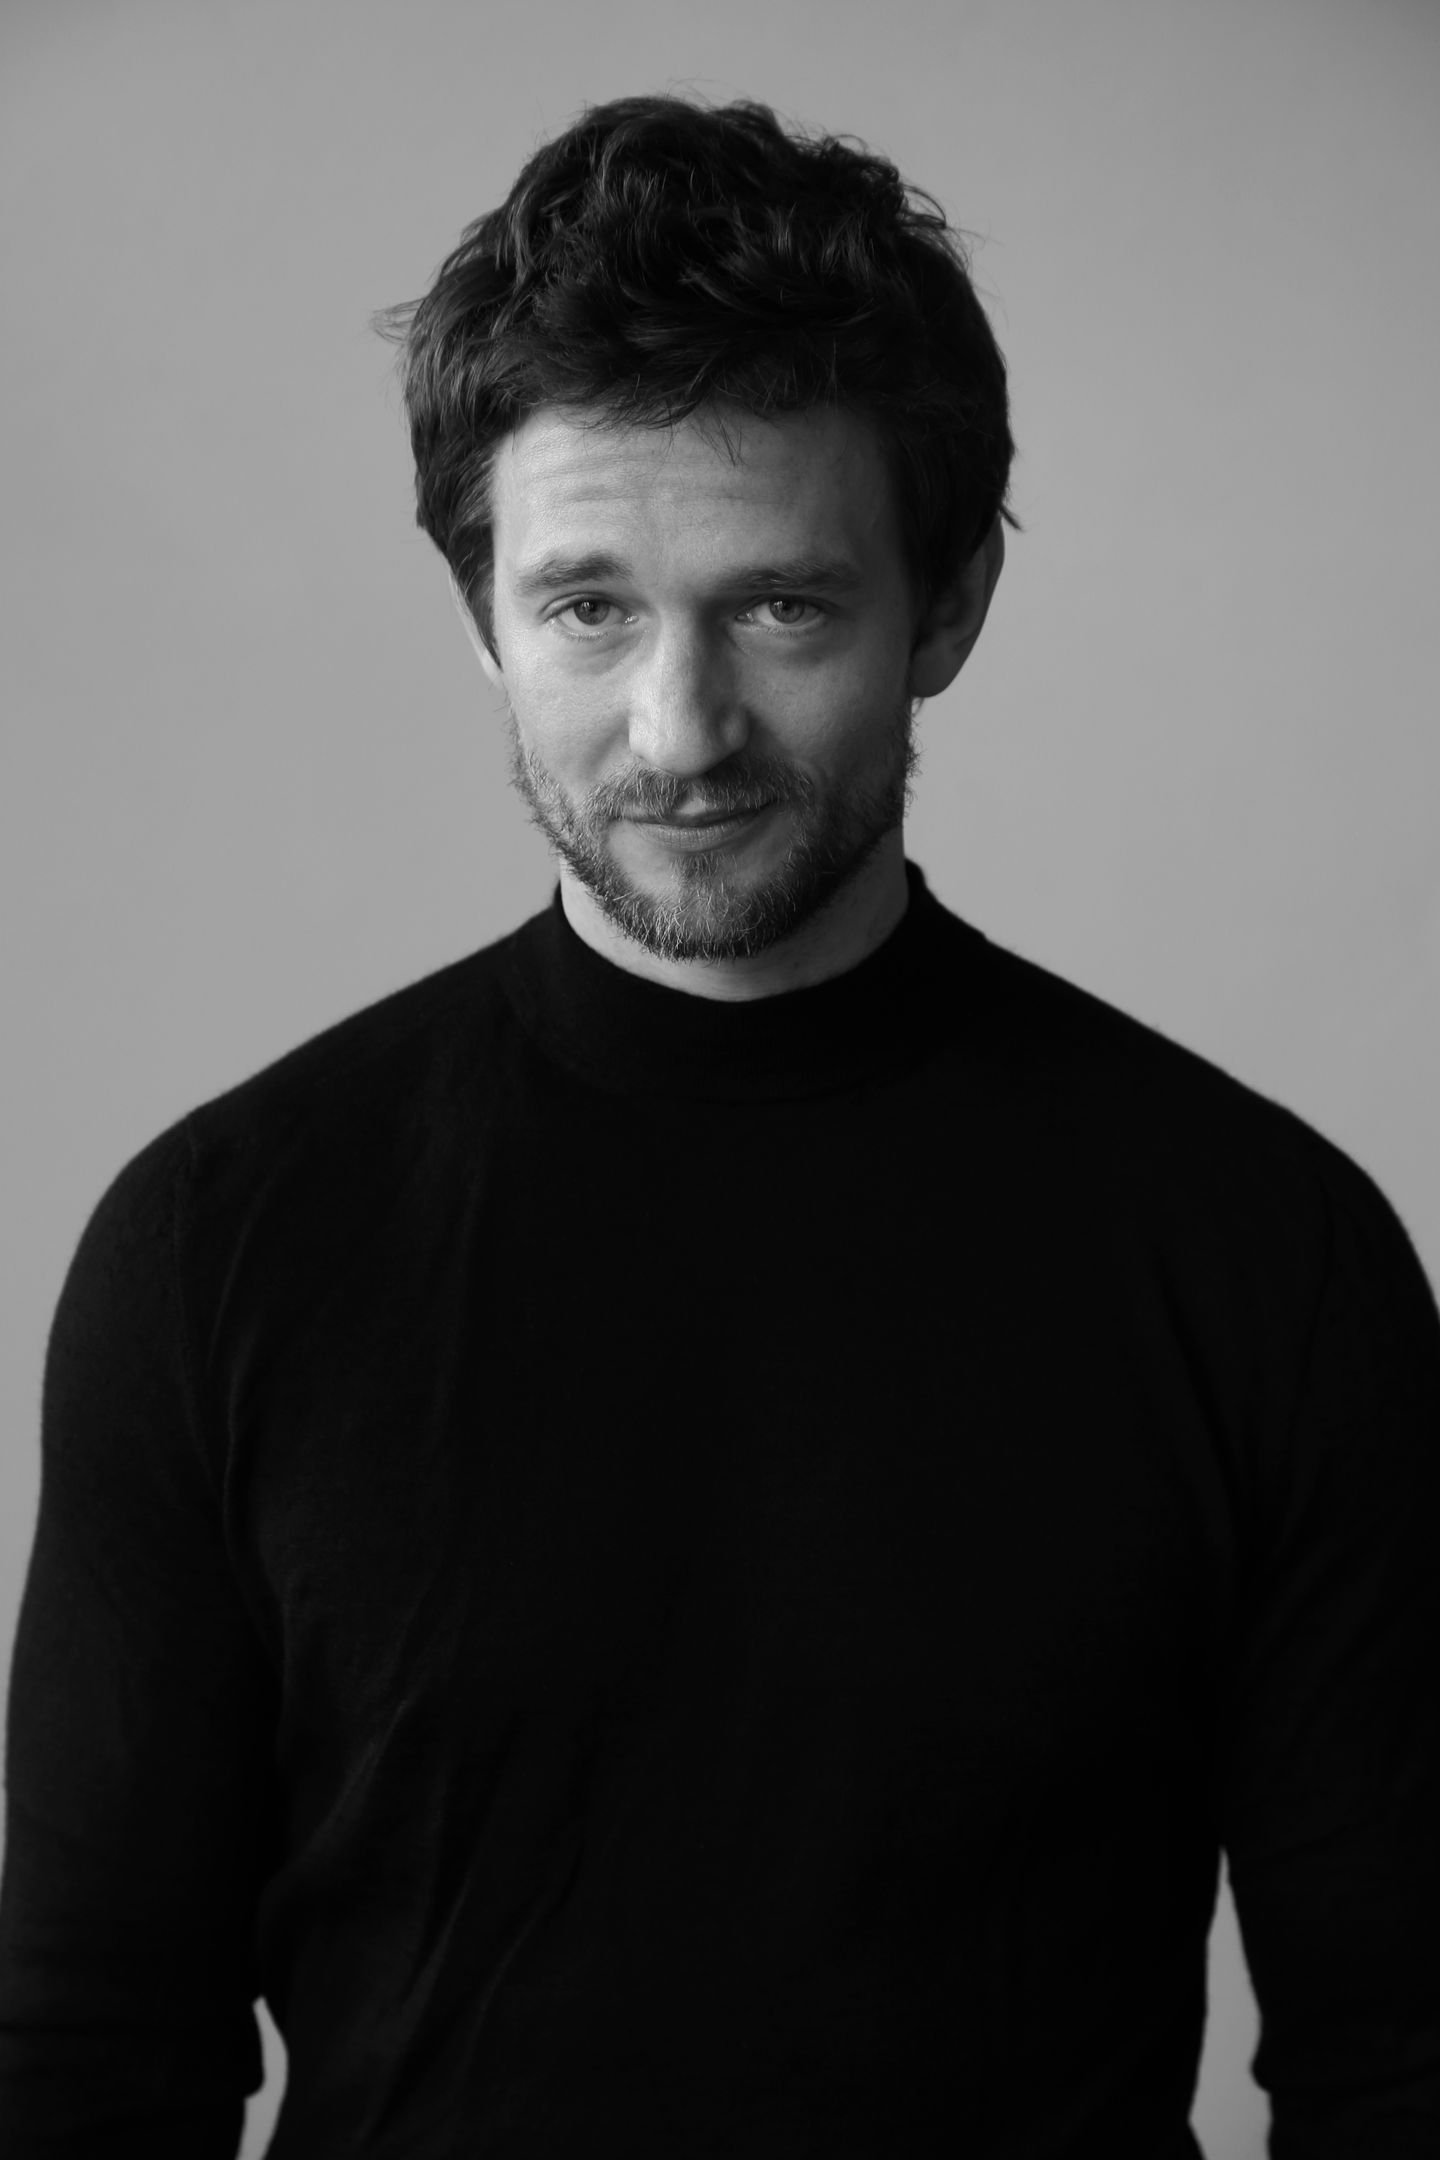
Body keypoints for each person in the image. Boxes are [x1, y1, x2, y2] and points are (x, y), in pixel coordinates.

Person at [0, 90, 1436, 2160]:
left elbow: (1405, 2061)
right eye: (587, 608)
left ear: (949, 606)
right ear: (480, 613)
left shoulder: (1263, 1258)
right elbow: (85, 2063)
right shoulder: (217, 1243)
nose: (678, 734)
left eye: (781, 608)